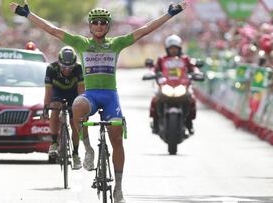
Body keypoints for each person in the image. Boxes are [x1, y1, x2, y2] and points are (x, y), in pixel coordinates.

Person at [10, 1, 186, 202]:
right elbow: (53, 30)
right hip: (91, 95)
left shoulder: (116, 44)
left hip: (111, 97)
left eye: (103, 22)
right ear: (90, 26)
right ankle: (88, 150)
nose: (99, 26)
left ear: (108, 26)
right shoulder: (82, 44)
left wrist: (169, 14)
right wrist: (28, 14)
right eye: (95, 23)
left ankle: (118, 188)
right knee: (77, 105)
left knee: (117, 139)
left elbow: (145, 30)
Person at [43, 46, 94, 170]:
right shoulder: (51, 68)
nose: (67, 70)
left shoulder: (78, 68)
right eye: (64, 67)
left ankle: (76, 153)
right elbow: (48, 92)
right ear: (59, 64)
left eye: (70, 67)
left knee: (75, 120)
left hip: (73, 93)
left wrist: (82, 110)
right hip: (57, 92)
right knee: (54, 108)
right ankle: (54, 142)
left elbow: (81, 91)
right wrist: (45, 108)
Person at [150, 34, 202, 135]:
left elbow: (193, 68)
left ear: (179, 48)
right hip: (165, 86)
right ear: (167, 49)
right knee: (155, 100)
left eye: (175, 48)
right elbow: (155, 70)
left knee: (192, 100)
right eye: (171, 48)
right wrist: (151, 74)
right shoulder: (162, 59)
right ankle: (155, 123)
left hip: (182, 86)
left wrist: (197, 73)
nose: (173, 50)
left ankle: (189, 123)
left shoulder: (185, 59)